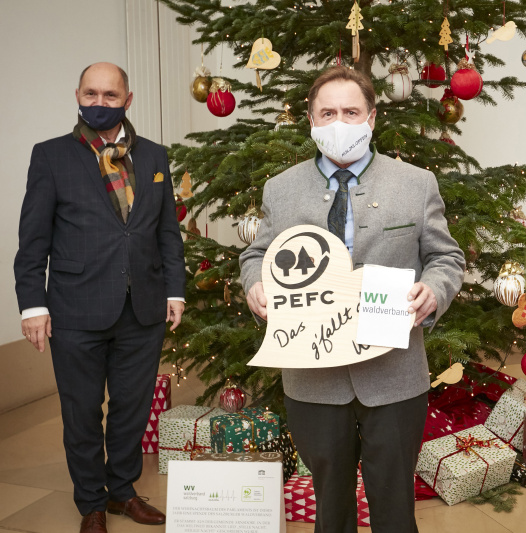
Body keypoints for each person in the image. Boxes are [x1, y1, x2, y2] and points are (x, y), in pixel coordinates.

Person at [240, 66, 465, 533]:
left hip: (394, 375)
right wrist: (256, 284)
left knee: (395, 506)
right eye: (328, 113)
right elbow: (257, 254)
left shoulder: (416, 183)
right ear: (311, 120)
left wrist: (434, 290)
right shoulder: (281, 188)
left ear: (372, 118)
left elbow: (446, 257)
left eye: (351, 112)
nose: (339, 122)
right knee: (331, 506)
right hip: (313, 378)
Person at [14, 62, 186, 533]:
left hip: (143, 306)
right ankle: (91, 500)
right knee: (82, 412)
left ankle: (122, 492)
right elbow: (33, 240)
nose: (99, 103)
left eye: (110, 96)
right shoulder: (50, 156)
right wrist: (33, 305)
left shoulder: (154, 156)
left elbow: (167, 232)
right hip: (75, 308)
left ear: (127, 101)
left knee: (132, 409)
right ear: (77, 95)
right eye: (91, 94)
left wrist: (175, 290)